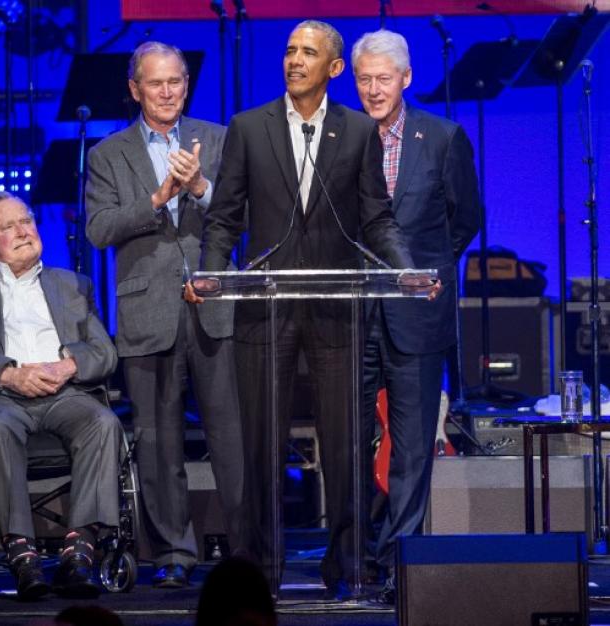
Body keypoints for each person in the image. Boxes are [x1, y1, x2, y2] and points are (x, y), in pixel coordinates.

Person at [190, 20, 417, 599]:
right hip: (264, 311)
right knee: (262, 445)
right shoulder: (248, 127)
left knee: (344, 445)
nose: (294, 60)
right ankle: (261, 570)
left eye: (308, 53)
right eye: (290, 50)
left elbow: (376, 218)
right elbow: (225, 218)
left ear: (333, 68)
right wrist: (213, 272)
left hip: (337, 310)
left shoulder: (358, 131)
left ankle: (348, 568)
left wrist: (405, 268)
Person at [85, 41, 247, 588]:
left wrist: (200, 188)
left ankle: (245, 548)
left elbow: (246, 216)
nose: (168, 92)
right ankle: (175, 552)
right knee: (158, 440)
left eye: (176, 81)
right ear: (135, 90)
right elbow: (98, 229)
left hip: (214, 308)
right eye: (156, 83)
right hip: (146, 312)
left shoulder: (219, 139)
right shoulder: (109, 154)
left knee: (230, 433)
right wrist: (156, 199)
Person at [0, 192, 123, 600]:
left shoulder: (72, 284)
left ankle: (80, 550)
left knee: (103, 422)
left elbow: (105, 351)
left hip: (63, 393)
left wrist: (67, 366)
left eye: (27, 221)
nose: (23, 232)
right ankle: (21, 553)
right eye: (8, 227)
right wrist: (7, 374)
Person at [352, 30, 480, 604]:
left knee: (409, 445)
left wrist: (419, 273)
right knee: (348, 440)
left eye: (384, 78)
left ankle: (399, 561)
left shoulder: (444, 138)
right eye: (364, 79)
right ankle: (354, 555)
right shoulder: (342, 138)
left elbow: (465, 220)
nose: (374, 89)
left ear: (406, 78)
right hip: (353, 314)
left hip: (415, 314)